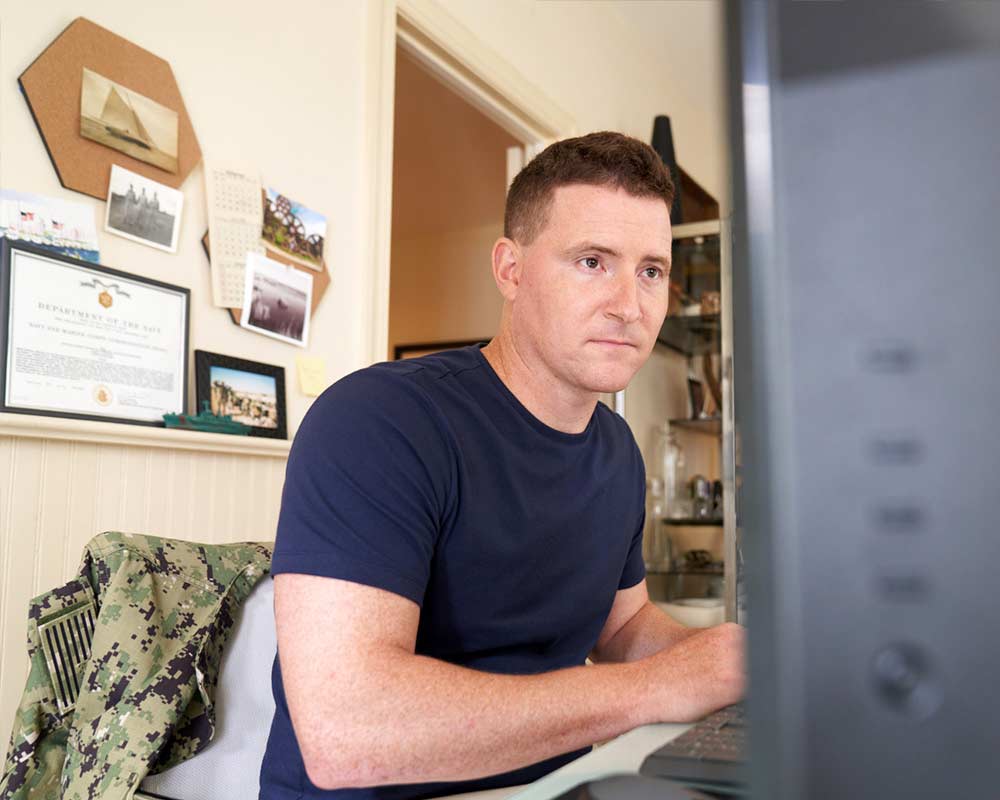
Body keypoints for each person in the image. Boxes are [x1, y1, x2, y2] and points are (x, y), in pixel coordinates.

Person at [260, 131, 745, 800]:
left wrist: (737, 661)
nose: (630, 305)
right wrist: (655, 688)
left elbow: (624, 629)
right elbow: (346, 732)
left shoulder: (616, 451)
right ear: (511, 270)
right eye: (592, 261)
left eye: (652, 271)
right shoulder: (380, 420)